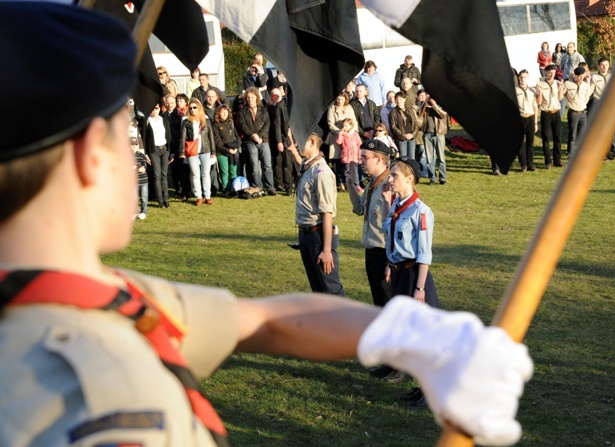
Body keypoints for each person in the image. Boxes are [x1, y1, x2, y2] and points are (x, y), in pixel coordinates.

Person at [0, 4, 534, 447]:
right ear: (93, 154)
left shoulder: (92, 301)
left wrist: (415, 334)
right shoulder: (86, 399)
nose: (135, 154)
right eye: (125, 130)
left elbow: (262, 321)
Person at [381, 157, 441, 408]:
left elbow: (424, 253)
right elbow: (392, 235)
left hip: (415, 276)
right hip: (399, 274)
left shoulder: (421, 211)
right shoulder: (397, 205)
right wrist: (389, 263)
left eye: (394, 175)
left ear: (409, 179)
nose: (389, 179)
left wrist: (419, 288)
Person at [286, 128, 345, 296]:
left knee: (331, 290)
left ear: (312, 142)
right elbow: (301, 169)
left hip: (318, 236)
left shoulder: (322, 172)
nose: (297, 144)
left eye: (300, 141)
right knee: (318, 290)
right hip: (306, 235)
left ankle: (341, 322)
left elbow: (327, 213)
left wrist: (327, 250)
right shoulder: (309, 166)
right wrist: (291, 150)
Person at [346, 139, 392, 308]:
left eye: (365, 157)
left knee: (388, 302)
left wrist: (391, 262)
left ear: (379, 160)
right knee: (378, 302)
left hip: (385, 252)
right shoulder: (373, 184)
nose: (361, 161)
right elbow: (359, 208)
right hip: (371, 251)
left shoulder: (390, 185)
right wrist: (351, 185)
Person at [236, 87, 277, 195]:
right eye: (248, 98)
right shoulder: (242, 112)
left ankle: (270, 187)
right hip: (250, 141)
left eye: (252, 97)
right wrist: (253, 136)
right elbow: (243, 126)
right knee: (255, 166)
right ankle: (258, 187)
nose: (250, 99)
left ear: (256, 98)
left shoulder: (263, 110)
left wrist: (260, 137)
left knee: (267, 165)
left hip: (263, 140)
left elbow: (267, 125)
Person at [180, 98, 216, 205]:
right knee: (195, 175)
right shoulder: (186, 122)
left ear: (199, 108)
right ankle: (199, 196)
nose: (192, 110)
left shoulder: (206, 120)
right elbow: (183, 137)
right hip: (192, 151)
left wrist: (213, 151)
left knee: (205, 174)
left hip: (205, 150)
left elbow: (211, 137)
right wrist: (181, 152)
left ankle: (207, 196)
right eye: (190, 108)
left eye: (195, 107)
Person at [326, 93, 357, 190]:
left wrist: (351, 131)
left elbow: (354, 121)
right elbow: (330, 124)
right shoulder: (332, 108)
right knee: (337, 161)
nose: (340, 101)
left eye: (342, 99)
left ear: (345, 100)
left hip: (349, 138)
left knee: (349, 162)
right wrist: (341, 132)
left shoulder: (349, 108)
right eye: (338, 99)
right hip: (337, 136)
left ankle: (350, 182)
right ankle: (340, 182)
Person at [536, 64, 565, 168]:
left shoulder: (557, 83)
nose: (551, 74)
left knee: (557, 137)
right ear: (546, 73)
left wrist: (561, 89)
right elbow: (539, 102)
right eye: (549, 72)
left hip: (556, 112)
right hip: (546, 113)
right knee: (546, 138)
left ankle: (557, 160)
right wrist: (539, 93)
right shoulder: (540, 84)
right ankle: (548, 161)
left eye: (553, 73)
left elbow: (560, 98)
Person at [267, 87, 294, 195]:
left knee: (288, 163)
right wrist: (279, 141)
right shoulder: (279, 106)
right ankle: (280, 184)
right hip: (281, 137)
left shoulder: (291, 105)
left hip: (291, 137)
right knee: (278, 162)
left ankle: (288, 187)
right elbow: (277, 125)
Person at [417, 90, 448, 184]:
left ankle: (442, 178)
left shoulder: (441, 104)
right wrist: (426, 103)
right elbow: (419, 113)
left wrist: (434, 105)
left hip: (439, 134)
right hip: (427, 134)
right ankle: (432, 178)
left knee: (441, 158)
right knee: (429, 158)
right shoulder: (424, 105)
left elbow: (443, 114)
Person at [145, 100, 172, 207]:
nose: (154, 110)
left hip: (165, 149)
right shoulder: (147, 121)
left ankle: (166, 199)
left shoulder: (164, 120)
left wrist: (171, 152)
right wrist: (146, 153)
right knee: (157, 175)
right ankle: (160, 200)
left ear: (160, 109)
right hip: (154, 150)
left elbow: (169, 136)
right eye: (152, 108)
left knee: (164, 175)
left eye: (156, 108)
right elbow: (144, 138)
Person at [564, 66, 594, 159]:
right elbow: (562, 94)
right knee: (572, 134)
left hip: (583, 112)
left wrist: (589, 83)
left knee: (581, 134)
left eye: (582, 76)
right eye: (578, 76)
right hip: (573, 112)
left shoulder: (585, 85)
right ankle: (571, 153)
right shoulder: (568, 84)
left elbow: (587, 96)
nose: (580, 78)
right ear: (575, 75)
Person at [213, 104, 241, 194]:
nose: (224, 114)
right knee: (224, 172)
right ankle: (226, 189)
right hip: (221, 152)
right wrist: (227, 150)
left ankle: (235, 188)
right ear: (218, 113)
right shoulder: (216, 125)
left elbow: (238, 136)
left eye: (226, 112)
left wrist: (236, 147)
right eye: (222, 112)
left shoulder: (231, 124)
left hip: (233, 151)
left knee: (233, 170)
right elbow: (217, 142)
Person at [515, 70, 538, 171]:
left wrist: (536, 122)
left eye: (525, 77)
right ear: (519, 78)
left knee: (530, 143)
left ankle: (530, 164)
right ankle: (523, 164)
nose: (523, 79)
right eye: (521, 77)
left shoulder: (532, 91)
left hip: (530, 118)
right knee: (520, 143)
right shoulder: (515, 90)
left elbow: (535, 107)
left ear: (528, 78)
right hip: (520, 117)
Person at [336, 118, 363, 192]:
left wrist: (360, 155)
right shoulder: (343, 134)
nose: (344, 127)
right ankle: (349, 185)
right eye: (343, 126)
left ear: (351, 126)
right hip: (347, 156)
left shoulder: (355, 134)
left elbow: (359, 144)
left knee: (355, 171)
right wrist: (340, 134)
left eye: (346, 126)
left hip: (354, 156)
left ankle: (357, 185)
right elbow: (338, 142)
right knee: (347, 171)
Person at [389, 91, 417, 159]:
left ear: (404, 99)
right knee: (403, 158)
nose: (399, 101)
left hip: (411, 137)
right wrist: (403, 135)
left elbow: (415, 123)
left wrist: (413, 134)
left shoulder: (409, 110)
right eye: (397, 99)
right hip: (401, 139)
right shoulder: (393, 111)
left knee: (411, 158)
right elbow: (393, 126)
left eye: (400, 99)